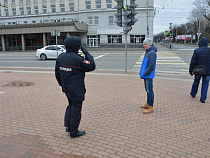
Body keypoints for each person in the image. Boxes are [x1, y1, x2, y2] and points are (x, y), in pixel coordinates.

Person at [55, 36, 96, 138]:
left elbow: (57, 74)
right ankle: (74, 132)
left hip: (67, 88)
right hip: (76, 90)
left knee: (70, 105)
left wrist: (62, 85)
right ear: (76, 46)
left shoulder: (61, 57)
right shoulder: (77, 59)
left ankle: (69, 126)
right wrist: (86, 53)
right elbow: (91, 66)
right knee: (76, 110)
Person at [189, 37, 210, 103]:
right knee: (205, 84)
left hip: (198, 70)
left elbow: (193, 62)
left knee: (196, 81)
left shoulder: (197, 51)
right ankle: (203, 98)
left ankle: (193, 93)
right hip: (208, 71)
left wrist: (191, 70)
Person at [139, 38, 157, 114]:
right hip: (146, 75)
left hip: (148, 75)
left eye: (145, 44)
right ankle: (148, 103)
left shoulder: (152, 53)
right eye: (143, 44)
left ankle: (150, 106)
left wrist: (145, 73)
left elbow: (151, 66)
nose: (144, 46)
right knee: (147, 89)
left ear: (149, 44)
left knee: (150, 90)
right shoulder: (148, 52)